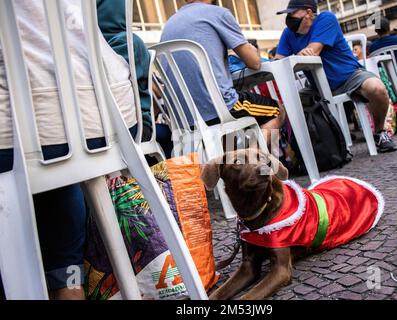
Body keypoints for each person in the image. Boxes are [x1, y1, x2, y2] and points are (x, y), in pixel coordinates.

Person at [0, 0, 138, 299]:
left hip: (26, 127)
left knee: (38, 157)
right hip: (107, 117)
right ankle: (69, 284)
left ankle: (50, 284)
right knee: (56, 169)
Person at [275, 0, 396, 153]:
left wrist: (298, 55)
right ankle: (287, 155)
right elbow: (278, 62)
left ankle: (380, 132)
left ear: (309, 13)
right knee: (280, 110)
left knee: (377, 89)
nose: (289, 18)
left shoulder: (326, 19)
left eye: (293, 13)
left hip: (350, 76)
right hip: (317, 86)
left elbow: (313, 51)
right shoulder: (288, 34)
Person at [160, 0, 285, 144]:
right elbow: (255, 63)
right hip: (219, 108)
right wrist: (252, 51)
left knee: (235, 129)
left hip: (183, 119)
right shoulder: (218, 13)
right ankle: (248, 161)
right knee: (277, 110)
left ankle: (234, 160)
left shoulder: (169, 25)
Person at [97, 0, 173, 159]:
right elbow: (156, 93)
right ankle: (164, 183)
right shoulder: (130, 43)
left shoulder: (82, 49)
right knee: (168, 136)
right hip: (135, 132)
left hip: (97, 136)